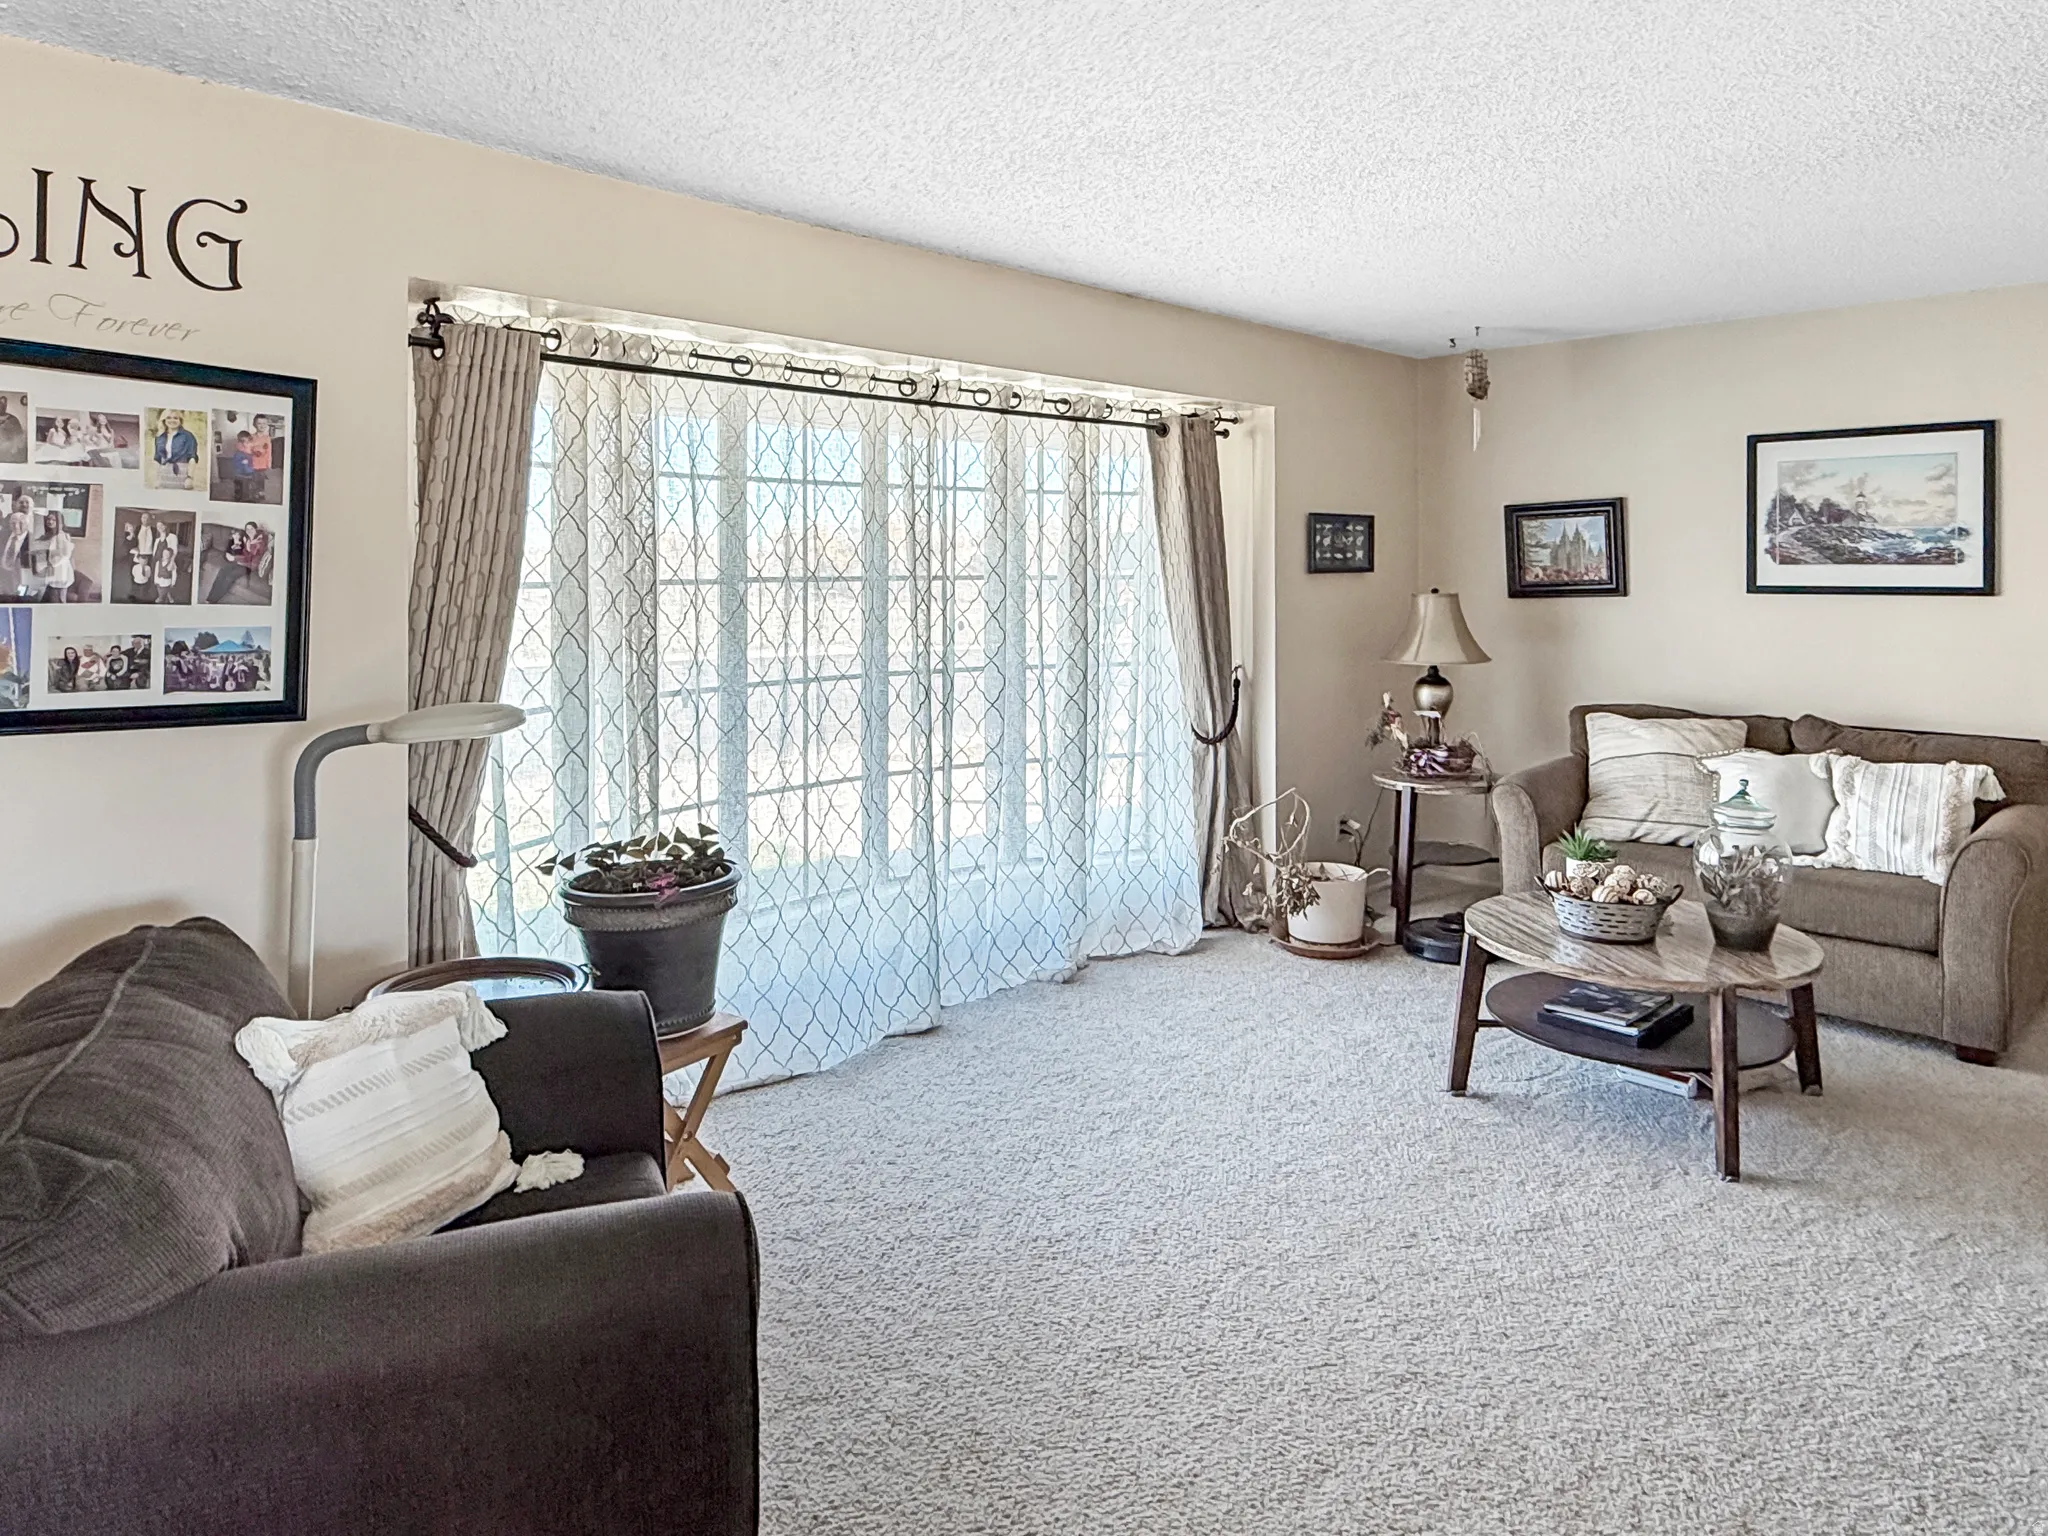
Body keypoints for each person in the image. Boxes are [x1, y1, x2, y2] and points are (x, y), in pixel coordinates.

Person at [32, 511, 74, 603]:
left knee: (57, 600)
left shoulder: (62, 535)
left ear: (60, 522)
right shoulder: (48, 535)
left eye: (54, 520)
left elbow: (65, 554)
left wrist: (51, 563)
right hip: (48, 574)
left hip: (59, 574)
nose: (50, 522)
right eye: (48, 519)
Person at [153, 410, 199, 488]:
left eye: (175, 418)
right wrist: (157, 478)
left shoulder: (188, 436)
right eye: (169, 418)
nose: (172, 420)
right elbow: (157, 459)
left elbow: (192, 457)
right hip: (164, 473)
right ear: (164, 420)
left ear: (180, 420)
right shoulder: (159, 437)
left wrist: (190, 477)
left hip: (181, 472)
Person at [0, 492, 31, 598]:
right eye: (13, 523)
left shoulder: (30, 540)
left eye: (21, 523)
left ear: (27, 524)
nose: (16, 526)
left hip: (18, 581)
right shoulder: (3, 534)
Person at [153, 525, 181, 604]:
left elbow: (174, 551)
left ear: (165, 526)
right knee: (159, 587)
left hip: (168, 572)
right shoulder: (157, 539)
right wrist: (156, 579)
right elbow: (155, 552)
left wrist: (171, 561)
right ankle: (163, 596)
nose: (159, 527)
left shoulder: (172, 536)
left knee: (166, 587)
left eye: (161, 525)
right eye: (157, 526)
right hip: (159, 567)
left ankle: (164, 597)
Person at [0, 398, 25, 463]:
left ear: (6, 406)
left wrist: (14, 448)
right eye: (0, 403)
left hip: (8, 451)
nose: (2, 406)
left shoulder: (13, 419)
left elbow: (19, 437)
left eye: (4, 404)